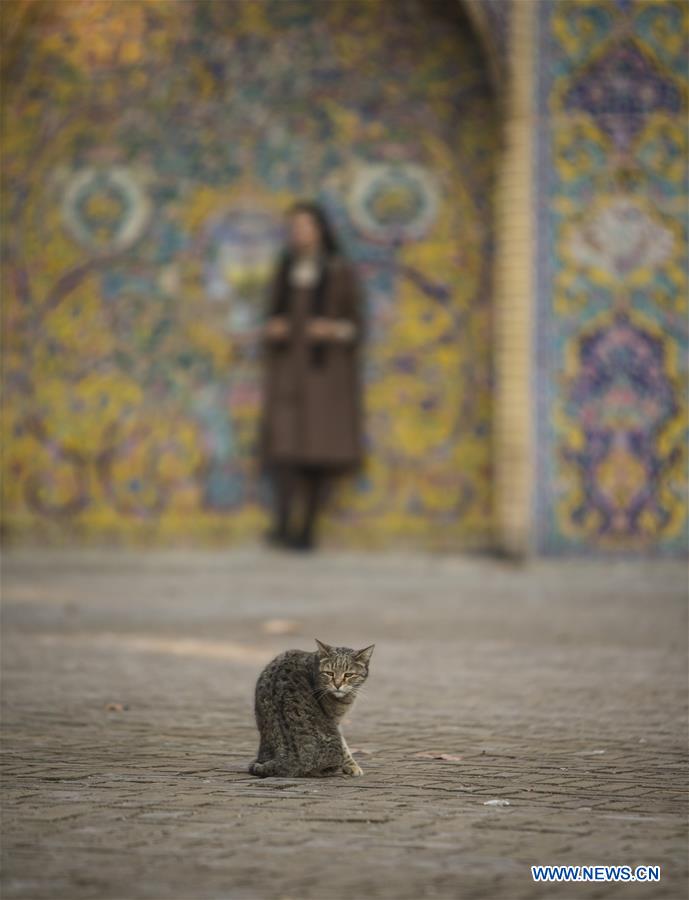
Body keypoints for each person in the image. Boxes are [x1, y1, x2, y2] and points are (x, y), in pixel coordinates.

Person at [259, 201, 365, 550]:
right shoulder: (286, 270)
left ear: (320, 230)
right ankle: (283, 524)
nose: (299, 233)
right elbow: (272, 314)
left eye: (305, 226)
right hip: (290, 372)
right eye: (294, 227)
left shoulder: (338, 271)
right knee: (285, 447)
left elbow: (356, 326)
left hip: (324, 375)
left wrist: (332, 330)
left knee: (316, 449)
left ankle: (307, 529)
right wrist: (275, 327)